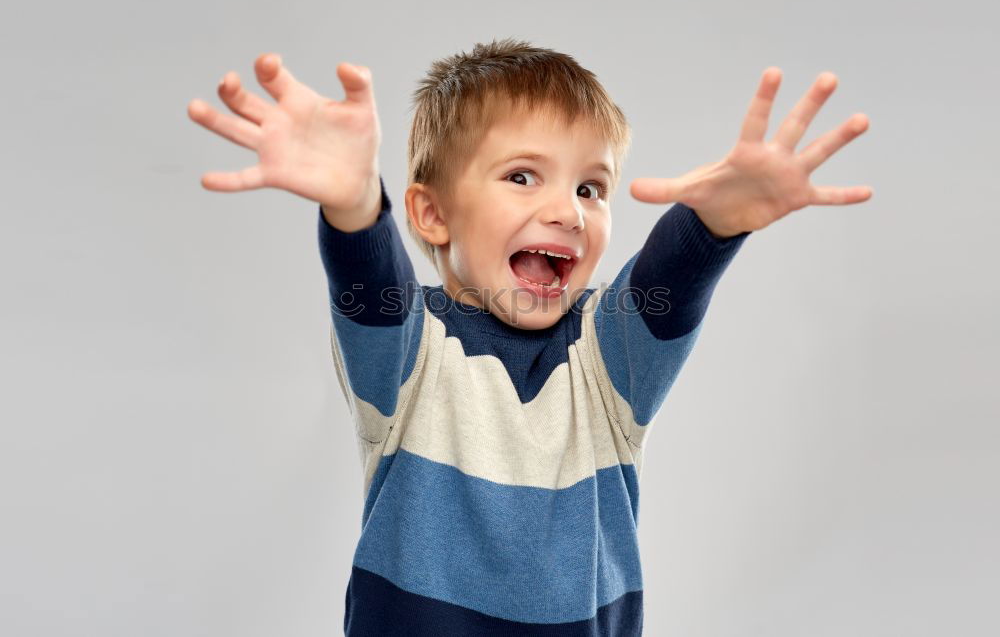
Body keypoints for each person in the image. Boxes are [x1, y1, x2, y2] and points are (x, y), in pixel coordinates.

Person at [187, 37, 871, 636]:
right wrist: (353, 204)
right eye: (522, 176)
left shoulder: (606, 364)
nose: (567, 212)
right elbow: (371, 291)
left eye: (591, 188)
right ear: (430, 212)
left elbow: (667, 283)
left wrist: (717, 222)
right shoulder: (410, 354)